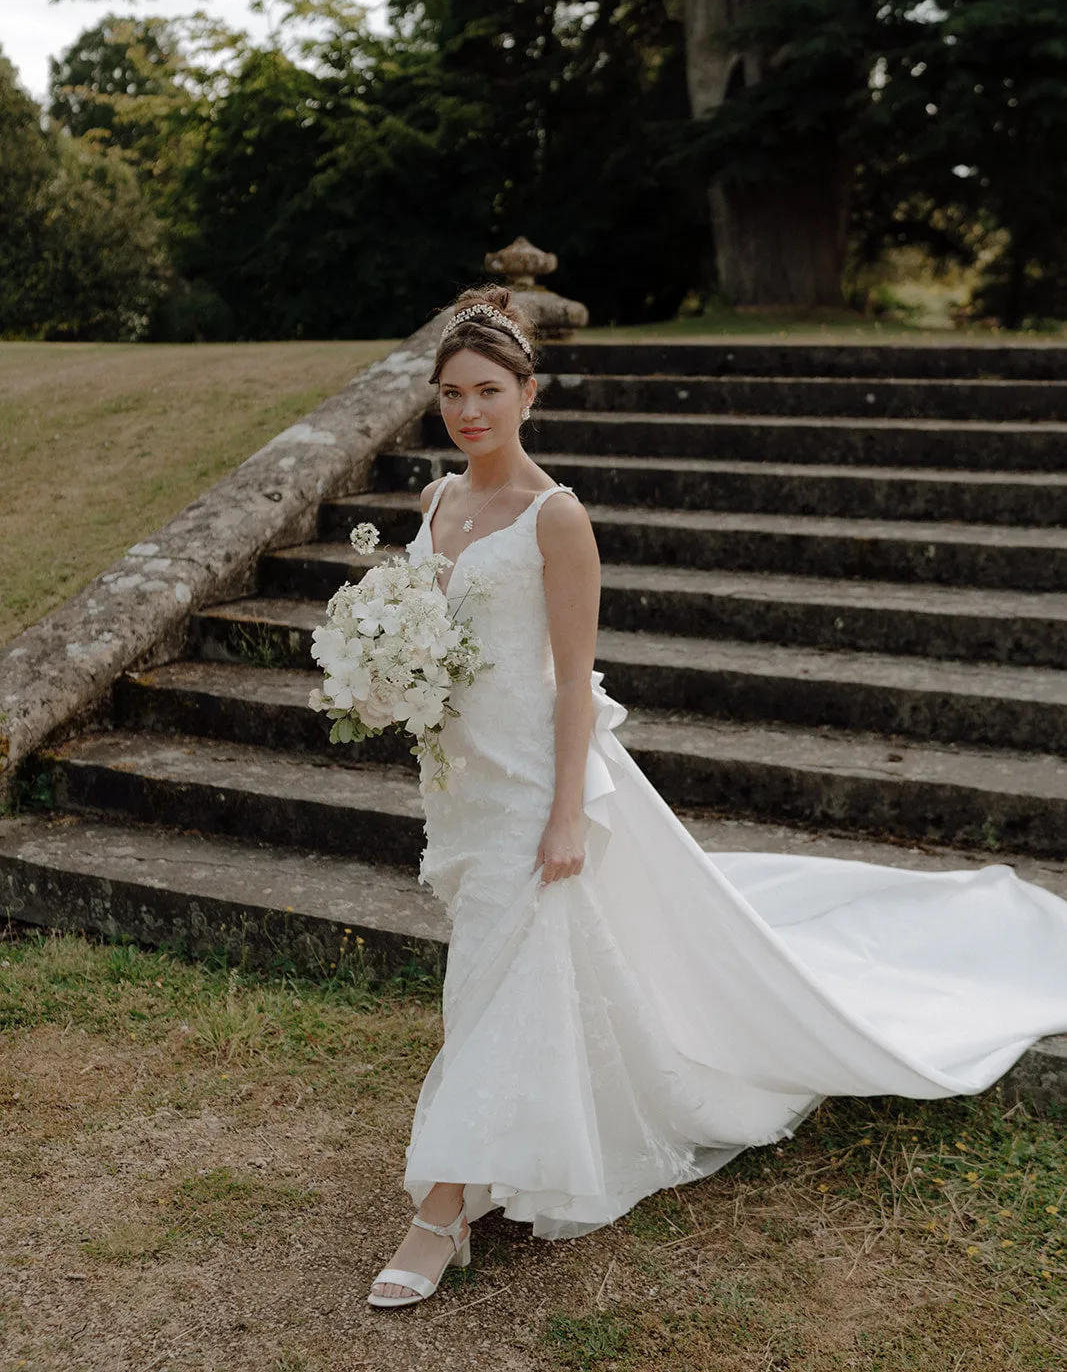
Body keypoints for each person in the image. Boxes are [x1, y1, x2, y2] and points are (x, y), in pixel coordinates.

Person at [367, 285, 1067, 1307]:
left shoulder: (555, 519)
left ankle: (440, 1211)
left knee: (498, 971)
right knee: (485, 967)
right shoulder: (435, 503)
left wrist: (567, 810)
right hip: (460, 779)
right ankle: (497, 1146)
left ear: (529, 393)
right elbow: (430, 634)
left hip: (533, 778)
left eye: (488, 391)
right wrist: (387, 674)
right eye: (451, 395)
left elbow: (571, 678)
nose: (469, 413)